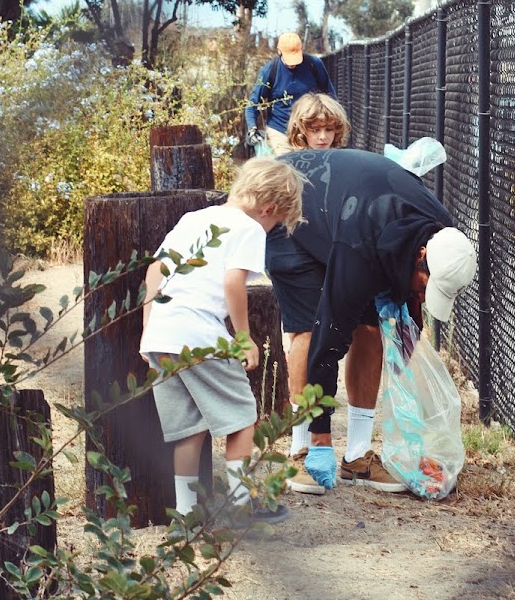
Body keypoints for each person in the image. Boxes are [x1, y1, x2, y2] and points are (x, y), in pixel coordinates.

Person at [264, 148, 477, 496]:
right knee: (310, 328)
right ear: (421, 258)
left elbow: (411, 299)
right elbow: (328, 342)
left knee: (374, 328)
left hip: (347, 210)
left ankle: (357, 455)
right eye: (427, 288)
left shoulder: (443, 238)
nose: (425, 296)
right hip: (291, 207)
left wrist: (406, 376)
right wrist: (322, 437)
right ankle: (305, 447)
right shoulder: (362, 245)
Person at [139, 157, 305, 521]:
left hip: (162, 335)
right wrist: (243, 338)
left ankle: (185, 512)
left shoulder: (193, 219)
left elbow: (155, 270)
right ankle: (241, 503)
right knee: (241, 417)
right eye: (276, 222)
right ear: (269, 208)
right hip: (200, 336)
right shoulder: (248, 229)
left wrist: (147, 326)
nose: (272, 227)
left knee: (190, 428)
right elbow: (233, 283)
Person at [245, 32, 336, 156]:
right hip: (280, 130)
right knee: (286, 166)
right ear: (279, 51)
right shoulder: (269, 71)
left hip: (308, 130)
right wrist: (252, 128)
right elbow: (252, 103)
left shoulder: (314, 64)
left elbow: (330, 95)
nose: (293, 63)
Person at [286, 92, 351, 151]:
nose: (323, 137)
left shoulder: (342, 160)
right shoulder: (291, 161)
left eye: (329, 129)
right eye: (315, 130)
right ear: (301, 131)